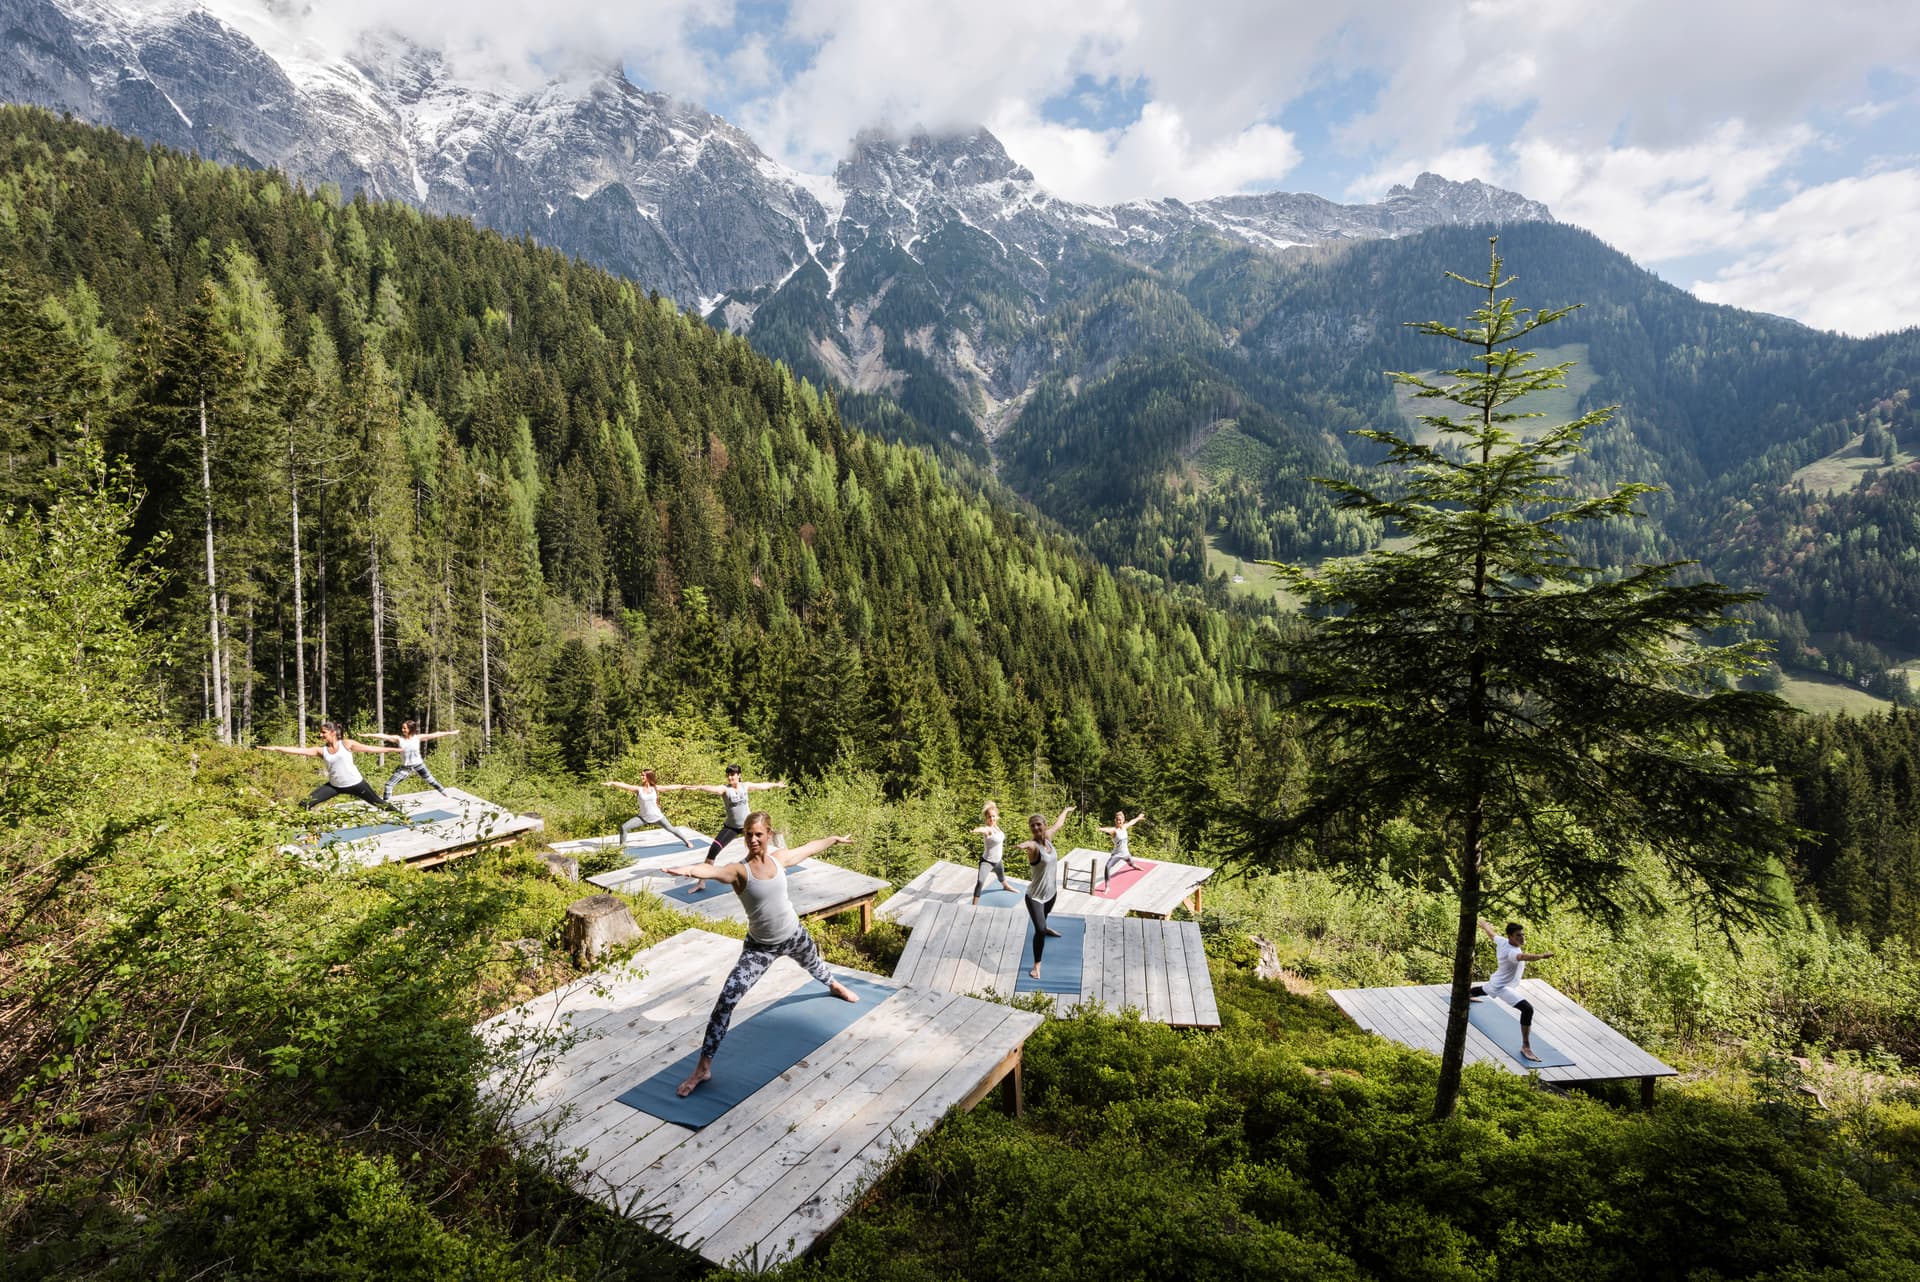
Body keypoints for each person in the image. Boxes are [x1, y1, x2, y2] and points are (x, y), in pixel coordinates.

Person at [662, 813, 859, 1097]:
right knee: (726, 1001)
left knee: (814, 963)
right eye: (748, 835)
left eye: (758, 835)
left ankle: (833, 984)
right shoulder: (739, 871)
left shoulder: (780, 859)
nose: (753, 840)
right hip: (760, 948)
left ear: (768, 834)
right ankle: (703, 1069)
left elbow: (809, 848)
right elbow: (713, 872)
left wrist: (834, 839)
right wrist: (688, 870)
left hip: (793, 934)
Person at [258, 722, 407, 818]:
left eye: (324, 732)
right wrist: (277, 748)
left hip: (356, 784)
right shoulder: (321, 750)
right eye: (321, 733)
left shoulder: (347, 744)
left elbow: (371, 749)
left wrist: (392, 750)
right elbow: (298, 750)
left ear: (333, 732)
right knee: (305, 804)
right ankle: (309, 830)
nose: (321, 735)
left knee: (379, 803)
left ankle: (403, 818)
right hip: (335, 786)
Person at [661, 765, 788, 861]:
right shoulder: (724, 789)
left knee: (760, 847)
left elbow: (762, 785)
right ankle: (702, 880)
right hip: (731, 827)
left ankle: (771, 865)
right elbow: (712, 788)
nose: (730, 777)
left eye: (733, 774)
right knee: (714, 849)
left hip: (746, 826)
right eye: (728, 775)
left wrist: (776, 784)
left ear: (739, 775)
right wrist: (699, 787)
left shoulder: (745, 786)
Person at [1472, 919, 1556, 1063]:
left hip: (1496, 982)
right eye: (1518, 935)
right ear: (1510, 936)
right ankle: (1526, 1046)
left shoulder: (1502, 941)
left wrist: (1484, 924)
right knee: (1527, 1009)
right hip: (1502, 987)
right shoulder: (1511, 952)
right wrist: (1542, 956)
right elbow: (1522, 957)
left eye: (1523, 935)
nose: (1522, 937)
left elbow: (1491, 934)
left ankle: (1466, 994)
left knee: (1486, 989)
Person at [1013, 806, 1073, 979]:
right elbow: (1029, 844)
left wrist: (1066, 811)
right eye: (1032, 826)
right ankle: (1036, 966)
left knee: (1042, 922)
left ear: (1044, 826)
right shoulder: (1034, 847)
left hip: (1051, 894)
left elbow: (1058, 825)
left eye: (1039, 824)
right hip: (1035, 897)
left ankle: (1045, 928)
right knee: (1039, 930)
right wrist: (1024, 845)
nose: (1036, 828)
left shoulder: (1048, 838)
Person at [601, 770, 704, 848]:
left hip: (658, 817)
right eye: (641, 775)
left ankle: (687, 841)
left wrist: (684, 786)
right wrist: (612, 783)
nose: (641, 776)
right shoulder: (639, 790)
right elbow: (624, 785)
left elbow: (671, 787)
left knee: (671, 829)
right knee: (624, 827)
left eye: (643, 775)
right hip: (643, 818)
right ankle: (622, 848)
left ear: (648, 777)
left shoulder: (656, 788)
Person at [368, 720, 457, 799]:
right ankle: (386, 806)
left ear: (411, 729)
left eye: (405, 728)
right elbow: (383, 736)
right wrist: (368, 735)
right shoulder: (399, 739)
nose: (402, 730)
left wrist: (450, 733)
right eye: (402, 728)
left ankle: (445, 794)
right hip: (405, 767)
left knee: (431, 781)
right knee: (388, 785)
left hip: (418, 765)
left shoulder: (417, 738)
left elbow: (435, 734)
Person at [970, 801, 1013, 906]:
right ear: (986, 818)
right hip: (987, 862)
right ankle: (974, 905)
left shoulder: (997, 828)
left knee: (1001, 877)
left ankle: (1006, 886)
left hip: (998, 861)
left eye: (993, 816)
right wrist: (975, 830)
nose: (992, 819)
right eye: (989, 817)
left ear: (997, 817)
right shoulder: (988, 829)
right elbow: (982, 829)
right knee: (980, 881)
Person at [1096, 809, 1147, 887]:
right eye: (1117, 820)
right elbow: (1107, 829)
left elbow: (1132, 822)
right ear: (1115, 820)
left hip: (1126, 854)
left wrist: (1139, 817)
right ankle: (1107, 887)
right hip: (1117, 854)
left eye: (1120, 820)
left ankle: (1134, 866)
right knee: (1107, 867)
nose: (1118, 821)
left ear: (1123, 820)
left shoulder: (1124, 827)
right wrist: (1100, 829)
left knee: (1131, 863)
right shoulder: (1114, 831)